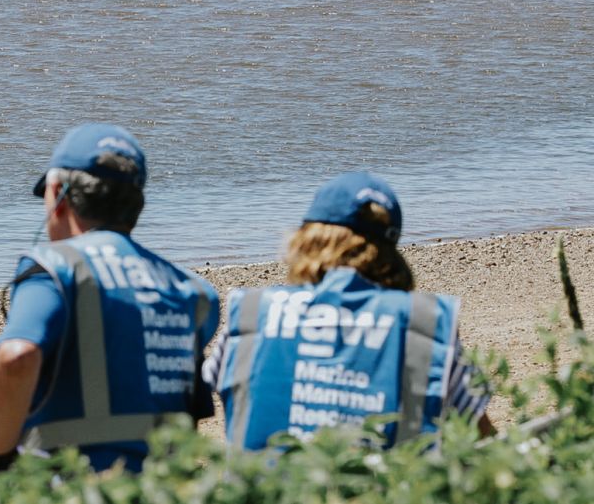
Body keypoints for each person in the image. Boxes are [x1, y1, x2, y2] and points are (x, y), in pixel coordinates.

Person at [0, 124, 219, 474]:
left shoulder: (53, 269)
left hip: (70, 484)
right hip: (160, 485)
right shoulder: (193, 292)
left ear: (58, 193)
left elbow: (17, 357)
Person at [209, 172, 494, 450]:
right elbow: (485, 442)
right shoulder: (424, 322)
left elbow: (187, 408)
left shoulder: (251, 311)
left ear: (305, 240)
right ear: (390, 249)